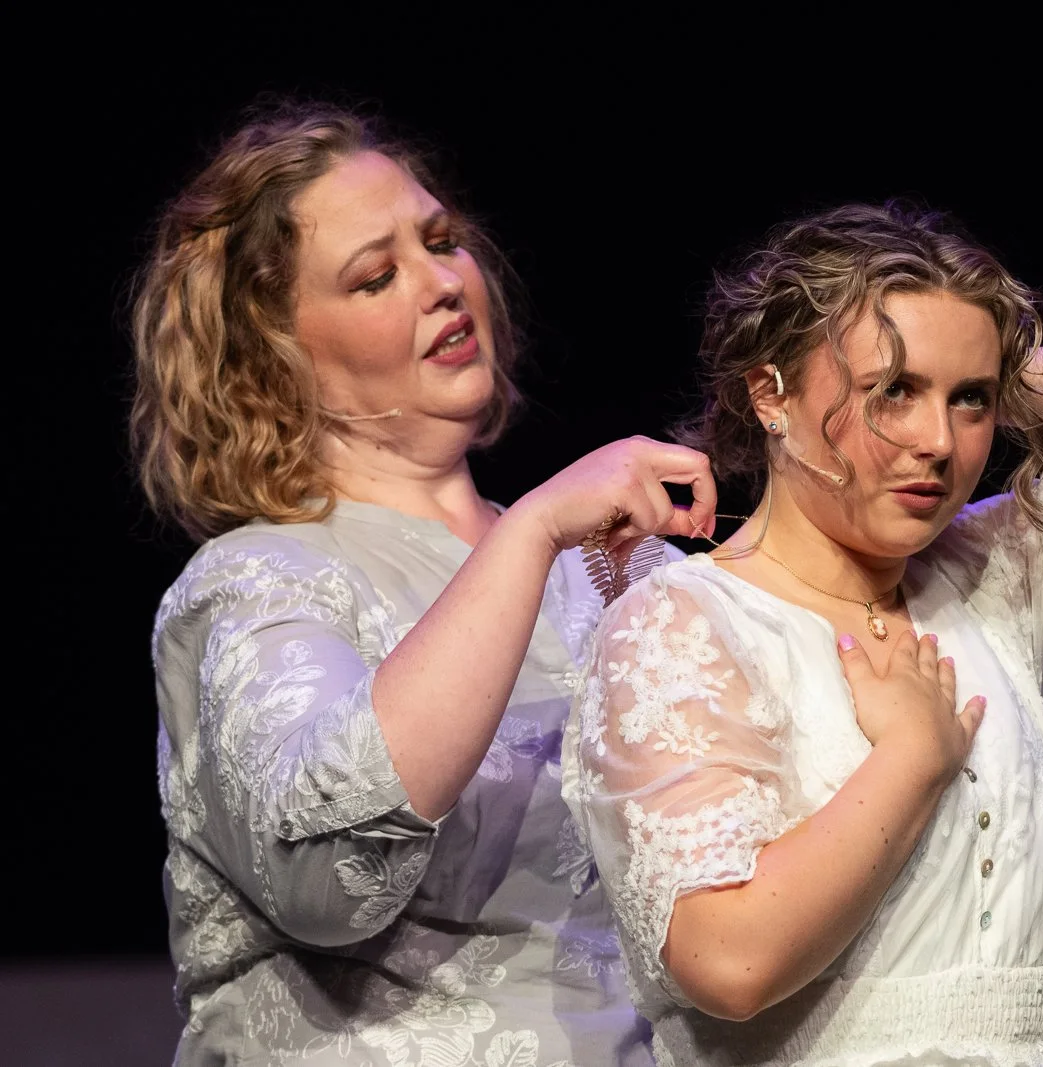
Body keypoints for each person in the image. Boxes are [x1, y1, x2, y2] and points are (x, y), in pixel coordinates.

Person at [561, 201, 1043, 1065]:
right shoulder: (685, 621)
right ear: (769, 392)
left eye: (969, 400)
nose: (939, 441)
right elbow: (728, 959)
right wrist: (910, 757)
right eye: (893, 390)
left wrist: (978, 352)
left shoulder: (985, 582)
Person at [132, 101, 713, 1065]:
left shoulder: (616, 569)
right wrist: (529, 529)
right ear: (270, 359)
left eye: (442, 242)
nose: (444, 282)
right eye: (377, 276)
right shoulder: (250, 584)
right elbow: (328, 875)